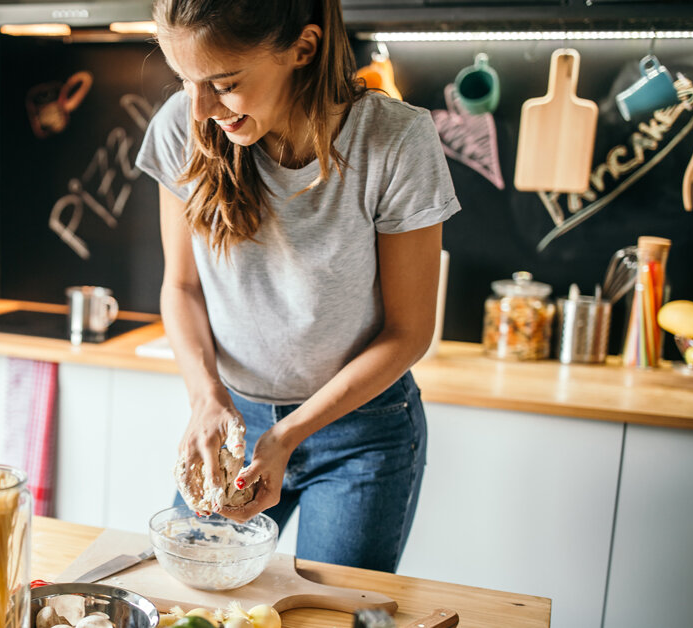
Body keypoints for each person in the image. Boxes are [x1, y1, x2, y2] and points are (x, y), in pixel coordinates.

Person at [135, 0, 460, 572]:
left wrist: (289, 436)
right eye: (186, 82)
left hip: (362, 434)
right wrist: (205, 396)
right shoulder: (182, 127)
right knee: (192, 594)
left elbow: (409, 333)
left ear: (302, 49)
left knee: (327, 615)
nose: (202, 108)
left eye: (224, 83)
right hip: (237, 421)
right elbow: (181, 287)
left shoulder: (396, 141)